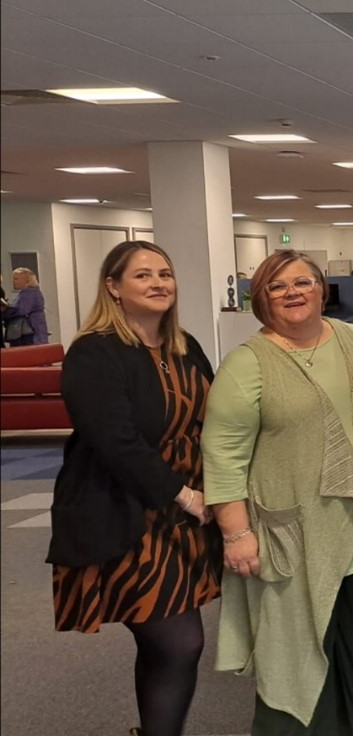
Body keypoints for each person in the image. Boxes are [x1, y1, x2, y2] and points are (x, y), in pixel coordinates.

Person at [202, 250, 353, 735]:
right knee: (296, 658)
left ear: (322, 288)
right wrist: (236, 533)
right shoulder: (248, 363)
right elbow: (222, 457)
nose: (293, 293)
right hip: (294, 536)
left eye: (303, 282)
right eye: (278, 286)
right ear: (261, 297)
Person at [45, 241, 220, 736]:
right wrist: (183, 496)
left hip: (185, 515)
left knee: (168, 643)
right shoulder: (94, 352)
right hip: (129, 511)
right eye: (142, 275)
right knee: (179, 641)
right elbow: (115, 442)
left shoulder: (184, 345)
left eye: (164, 273)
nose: (158, 282)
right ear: (113, 287)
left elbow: (216, 420)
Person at [3, 266, 50, 345]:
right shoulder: (26, 292)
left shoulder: (29, 293)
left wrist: (6, 310)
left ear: (27, 280)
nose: (13, 281)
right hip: (32, 330)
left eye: (16, 279)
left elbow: (22, 310)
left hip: (30, 331)